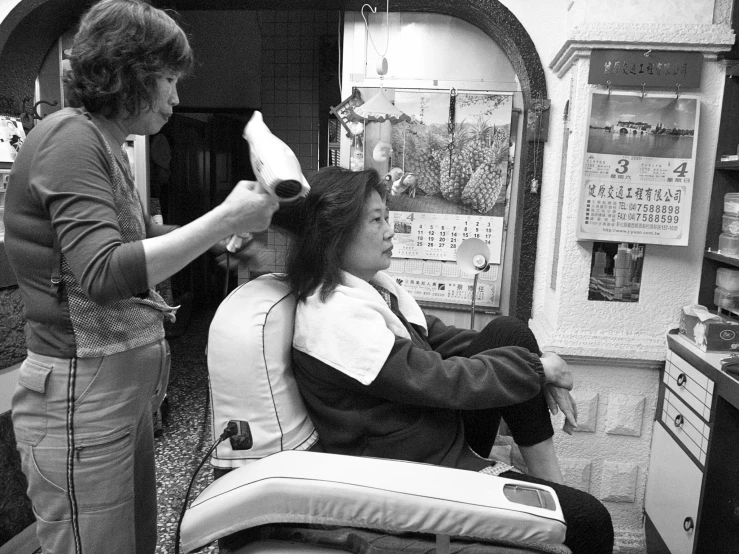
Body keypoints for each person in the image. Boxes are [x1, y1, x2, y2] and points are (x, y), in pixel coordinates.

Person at [3, 1, 278, 552]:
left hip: (118, 397)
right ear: (130, 73)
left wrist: (224, 237)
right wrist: (224, 217)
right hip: (83, 396)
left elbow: (135, 243)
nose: (176, 97)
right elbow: (104, 273)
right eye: (169, 80)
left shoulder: (105, 145)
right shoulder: (69, 139)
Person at [283, 167, 614, 554]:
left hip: (432, 439)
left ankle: (551, 491)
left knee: (510, 332)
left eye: (387, 216)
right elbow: (438, 378)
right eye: (377, 220)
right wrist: (537, 370)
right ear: (334, 235)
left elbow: (441, 339)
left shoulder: (372, 291)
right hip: (411, 474)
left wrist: (535, 363)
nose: (390, 229)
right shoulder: (334, 316)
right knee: (591, 520)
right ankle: (556, 509)